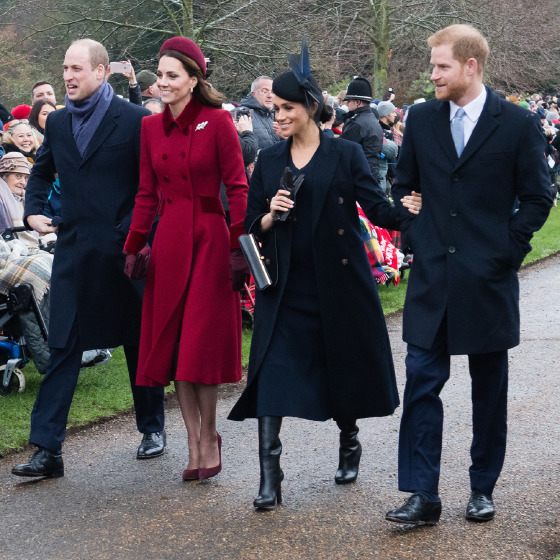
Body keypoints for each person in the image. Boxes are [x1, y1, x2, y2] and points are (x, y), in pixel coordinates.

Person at [228, 39, 420, 510]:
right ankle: (269, 477)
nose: (277, 117)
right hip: (284, 285)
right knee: (271, 372)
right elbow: (248, 225)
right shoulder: (269, 159)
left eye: (286, 108)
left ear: (310, 108)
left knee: (341, 369)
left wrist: (410, 208)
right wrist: (270, 215)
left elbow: (376, 208)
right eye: (274, 109)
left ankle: (348, 439)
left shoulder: (345, 153)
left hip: (337, 283)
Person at [385, 24, 552, 526]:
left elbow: (538, 196)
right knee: (421, 383)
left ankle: (483, 488)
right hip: (432, 278)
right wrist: (414, 230)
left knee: (489, 390)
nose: (433, 75)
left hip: (487, 280)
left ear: (470, 66)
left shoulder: (517, 124)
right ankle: (423, 494)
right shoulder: (421, 119)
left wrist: (506, 251)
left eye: (441, 66)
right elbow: (403, 184)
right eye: (432, 66)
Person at [11, 38, 166, 480]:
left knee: (137, 340)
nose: (67, 76)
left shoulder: (135, 119)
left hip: (125, 252)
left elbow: (152, 186)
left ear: (101, 72)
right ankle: (48, 450)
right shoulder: (58, 122)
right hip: (74, 253)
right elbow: (41, 173)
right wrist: (33, 210)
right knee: (62, 345)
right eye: (65, 68)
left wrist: (134, 234)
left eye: (76, 68)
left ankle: (152, 428)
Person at [123, 36, 248, 482]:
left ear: (194, 80)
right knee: (176, 346)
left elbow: (237, 187)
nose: (163, 82)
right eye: (160, 75)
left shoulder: (218, 121)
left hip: (211, 242)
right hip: (170, 243)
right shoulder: (149, 128)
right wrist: (134, 245)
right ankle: (193, 442)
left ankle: (209, 435)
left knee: (199, 346)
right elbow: (146, 193)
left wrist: (238, 246)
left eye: (172, 75)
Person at [340, 77, 383, 180]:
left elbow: (341, 150)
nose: (347, 103)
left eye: (349, 101)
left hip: (359, 176)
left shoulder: (357, 123)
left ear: (358, 102)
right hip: (371, 174)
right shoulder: (371, 118)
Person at [239, 76, 280, 149]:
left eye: (273, 92)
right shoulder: (240, 114)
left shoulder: (278, 115)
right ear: (253, 94)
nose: (270, 96)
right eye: (265, 91)